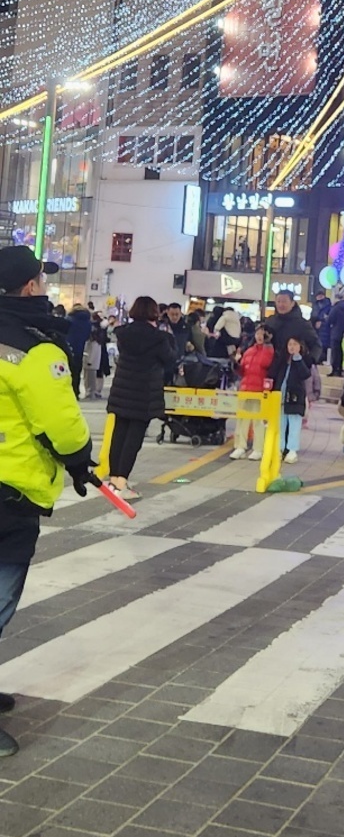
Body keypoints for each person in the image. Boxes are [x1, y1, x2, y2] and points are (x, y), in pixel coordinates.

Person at [0, 247, 94, 756]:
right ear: (31, 287)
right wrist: (78, 460)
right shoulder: (35, 349)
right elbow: (62, 424)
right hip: (9, 490)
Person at [105, 297, 177, 498]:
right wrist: (170, 339)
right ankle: (122, 484)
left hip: (122, 391)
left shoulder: (123, 334)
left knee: (119, 435)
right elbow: (170, 359)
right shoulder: (159, 337)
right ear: (154, 313)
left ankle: (113, 480)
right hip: (143, 393)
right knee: (133, 439)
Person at [230, 324, 274, 460]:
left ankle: (258, 448)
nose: (260, 336)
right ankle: (240, 446)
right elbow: (243, 370)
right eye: (258, 333)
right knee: (242, 420)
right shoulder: (249, 351)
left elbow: (268, 366)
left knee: (258, 421)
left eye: (263, 334)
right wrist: (236, 365)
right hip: (245, 389)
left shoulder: (270, 351)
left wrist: (267, 346)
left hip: (259, 391)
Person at [265, 289, 321, 381]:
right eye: (278, 301)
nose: (281, 305)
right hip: (271, 368)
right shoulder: (270, 321)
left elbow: (316, 344)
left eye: (284, 301)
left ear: (292, 303)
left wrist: (308, 361)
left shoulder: (302, 324)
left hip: (292, 370)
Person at [279, 336, 311, 464]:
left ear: (300, 346)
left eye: (295, 344)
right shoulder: (283, 360)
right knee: (281, 425)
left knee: (294, 424)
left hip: (295, 397)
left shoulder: (304, 359)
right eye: (290, 344)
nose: (292, 347)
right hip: (281, 398)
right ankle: (280, 448)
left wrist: (298, 359)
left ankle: (292, 450)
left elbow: (305, 374)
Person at [65, 301, 92, 395]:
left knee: (68, 371)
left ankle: (69, 391)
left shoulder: (69, 319)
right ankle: (76, 391)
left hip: (68, 347)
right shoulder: (87, 322)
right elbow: (88, 336)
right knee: (77, 371)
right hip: (80, 347)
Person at [327, 294, 344, 376]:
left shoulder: (335, 308)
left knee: (335, 352)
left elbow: (330, 320)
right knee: (341, 352)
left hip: (335, 333)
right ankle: (340, 369)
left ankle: (334, 369)